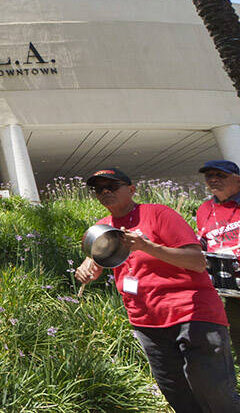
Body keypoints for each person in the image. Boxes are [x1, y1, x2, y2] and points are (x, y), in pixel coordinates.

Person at [74, 167, 240, 412]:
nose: (105, 192)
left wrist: (146, 246)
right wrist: (88, 267)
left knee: (214, 392)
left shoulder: (158, 214)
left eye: (112, 186)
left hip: (192, 314)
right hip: (147, 323)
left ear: (131, 189)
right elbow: (99, 260)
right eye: (99, 189)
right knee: (177, 393)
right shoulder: (102, 227)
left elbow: (197, 261)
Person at [194, 159, 240, 352]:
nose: (213, 179)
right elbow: (203, 239)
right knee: (237, 337)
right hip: (228, 286)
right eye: (209, 176)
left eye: (220, 175)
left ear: (238, 180)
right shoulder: (205, 209)